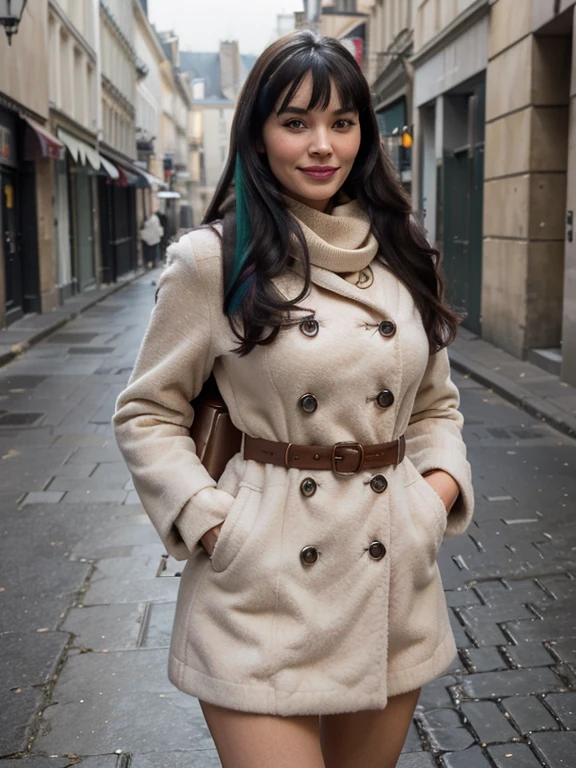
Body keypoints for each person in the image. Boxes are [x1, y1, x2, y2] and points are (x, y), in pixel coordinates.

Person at [113, 30, 474, 768]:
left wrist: (430, 503)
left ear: (365, 136)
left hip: (388, 580)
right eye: (296, 121)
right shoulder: (214, 259)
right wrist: (218, 526)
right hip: (261, 589)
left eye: (342, 123)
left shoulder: (403, 251)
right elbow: (148, 414)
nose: (322, 145)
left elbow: (435, 405)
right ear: (259, 133)